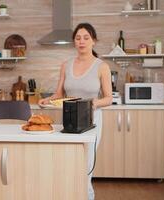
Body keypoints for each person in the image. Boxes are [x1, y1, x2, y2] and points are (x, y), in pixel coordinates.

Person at [38, 23, 112, 200]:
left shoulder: (102, 67)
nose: (82, 41)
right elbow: (59, 94)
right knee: (69, 163)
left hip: (92, 120)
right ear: (74, 42)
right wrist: (46, 100)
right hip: (69, 119)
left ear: (93, 41)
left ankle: (87, 196)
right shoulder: (66, 65)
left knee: (86, 166)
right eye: (78, 38)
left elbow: (108, 98)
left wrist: (92, 103)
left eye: (86, 38)